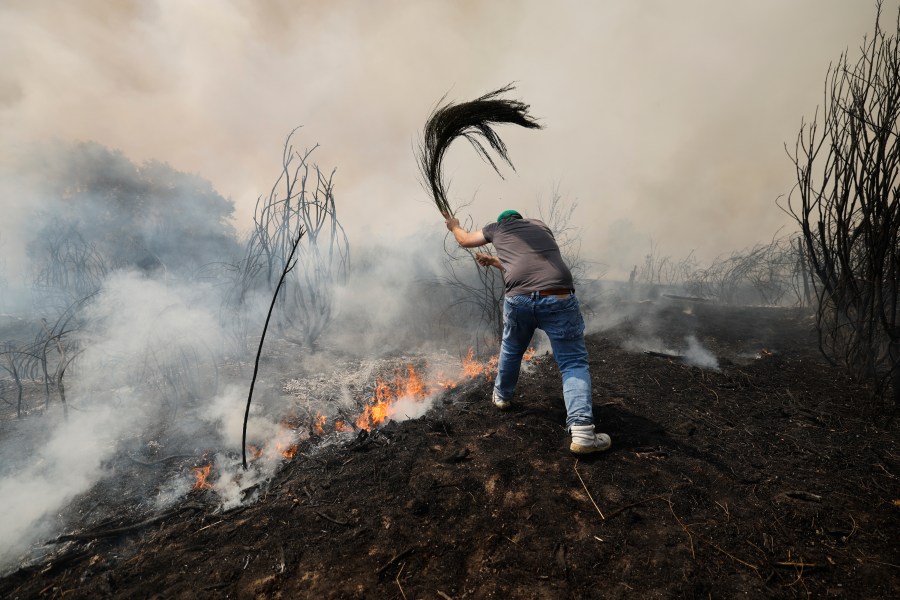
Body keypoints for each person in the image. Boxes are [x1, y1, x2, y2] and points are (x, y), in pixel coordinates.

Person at [444, 209, 611, 454]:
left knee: (511, 349)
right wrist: (494, 262)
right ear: (521, 220)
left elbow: (465, 240)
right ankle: (584, 434)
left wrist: (454, 225)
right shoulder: (540, 226)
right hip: (558, 296)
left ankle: (501, 397)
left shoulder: (496, 228)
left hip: (519, 300)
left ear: (502, 223)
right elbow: (531, 265)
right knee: (572, 362)